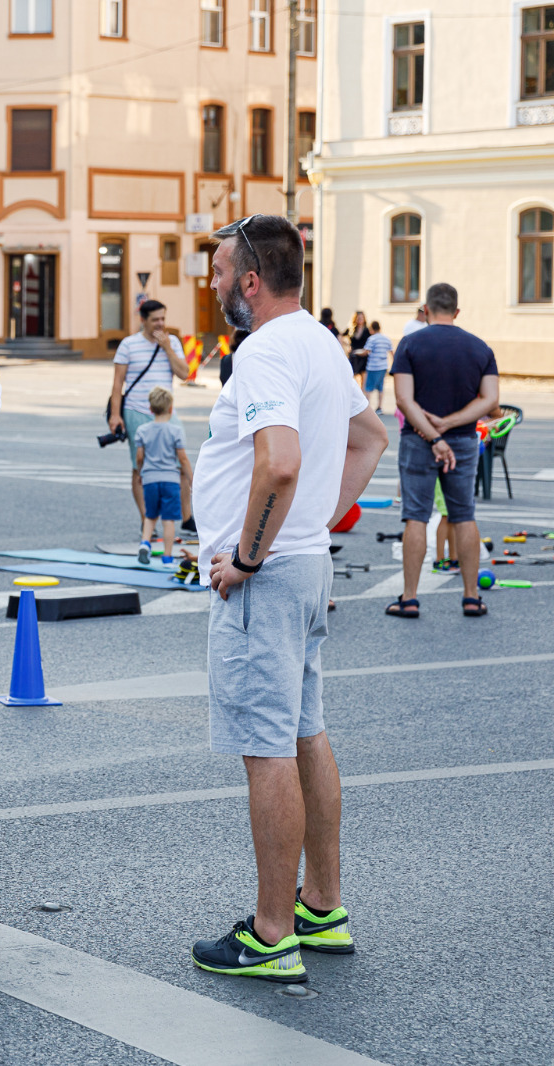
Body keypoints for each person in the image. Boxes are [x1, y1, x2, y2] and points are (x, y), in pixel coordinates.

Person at [191, 214, 387, 983]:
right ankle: (322, 906)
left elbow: (277, 463)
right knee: (305, 730)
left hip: (265, 578)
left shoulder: (266, 349)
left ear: (249, 280)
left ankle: (272, 933)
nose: (209, 287)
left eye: (215, 274)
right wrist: (315, 520)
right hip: (304, 565)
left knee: (266, 746)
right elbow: (370, 437)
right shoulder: (318, 340)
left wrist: (246, 554)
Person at [389, 281, 499, 619]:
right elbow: (490, 400)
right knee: (464, 515)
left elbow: (403, 400)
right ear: (457, 311)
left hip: (419, 441)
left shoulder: (410, 344)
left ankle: (409, 598)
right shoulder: (480, 348)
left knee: (416, 516)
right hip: (464, 441)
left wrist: (433, 435)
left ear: (426, 309)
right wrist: (450, 425)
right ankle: (470, 597)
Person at [107, 299, 190, 536]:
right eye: (155, 320)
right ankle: (147, 521)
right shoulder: (128, 345)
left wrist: (168, 349)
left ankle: (187, 518)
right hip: (136, 411)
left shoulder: (171, 342)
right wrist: (116, 415)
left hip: (167, 412)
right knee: (139, 466)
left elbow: (184, 374)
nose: (160, 324)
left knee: (181, 462)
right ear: (143, 320)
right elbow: (117, 383)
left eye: (163, 318)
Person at [135, 386, 189, 566]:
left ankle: (145, 543)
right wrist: (191, 479)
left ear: (150, 409)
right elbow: (182, 458)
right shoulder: (175, 431)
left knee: (150, 516)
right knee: (169, 520)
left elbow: (140, 457)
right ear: (170, 408)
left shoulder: (142, 430)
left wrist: (141, 471)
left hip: (150, 478)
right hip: (170, 480)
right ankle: (167, 557)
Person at [362, 320, 393, 413]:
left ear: (371, 329)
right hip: (383, 366)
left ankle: (367, 408)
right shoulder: (386, 339)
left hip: (373, 366)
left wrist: (356, 353)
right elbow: (392, 352)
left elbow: (366, 351)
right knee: (381, 387)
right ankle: (379, 407)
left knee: (368, 387)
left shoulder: (372, 339)